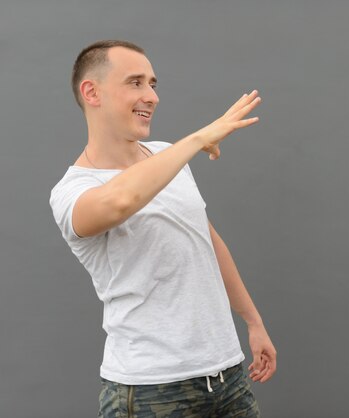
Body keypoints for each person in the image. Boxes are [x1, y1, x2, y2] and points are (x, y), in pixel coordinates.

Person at [50, 40, 276, 417]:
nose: (151, 96)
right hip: (150, 390)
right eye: (135, 83)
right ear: (92, 92)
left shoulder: (167, 155)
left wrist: (253, 322)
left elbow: (206, 240)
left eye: (153, 84)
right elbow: (120, 201)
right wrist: (196, 139)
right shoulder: (72, 191)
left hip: (227, 376)